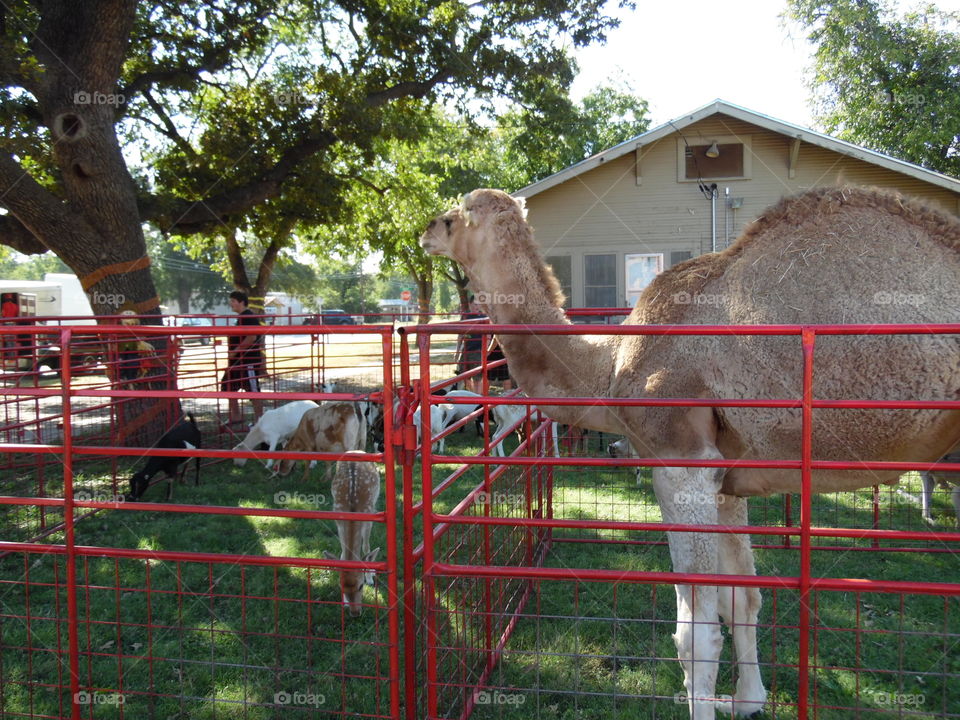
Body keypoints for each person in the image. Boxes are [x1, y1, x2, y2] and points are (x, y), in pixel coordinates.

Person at [221, 291, 265, 424]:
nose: (231, 303)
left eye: (233, 301)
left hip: (247, 362)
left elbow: (251, 337)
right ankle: (236, 416)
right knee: (227, 386)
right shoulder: (241, 317)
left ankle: (260, 419)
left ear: (241, 302)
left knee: (253, 390)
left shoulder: (249, 317)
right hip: (237, 363)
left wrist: (235, 351)